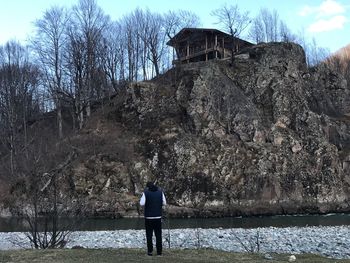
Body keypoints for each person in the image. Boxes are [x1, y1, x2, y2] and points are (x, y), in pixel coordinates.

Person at [139, 181, 166, 256]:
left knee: (149, 235)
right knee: (158, 235)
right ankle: (159, 252)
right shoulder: (160, 192)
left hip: (148, 217)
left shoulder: (146, 193)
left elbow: (141, 203)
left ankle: (150, 252)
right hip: (158, 217)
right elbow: (164, 203)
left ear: (147, 187)